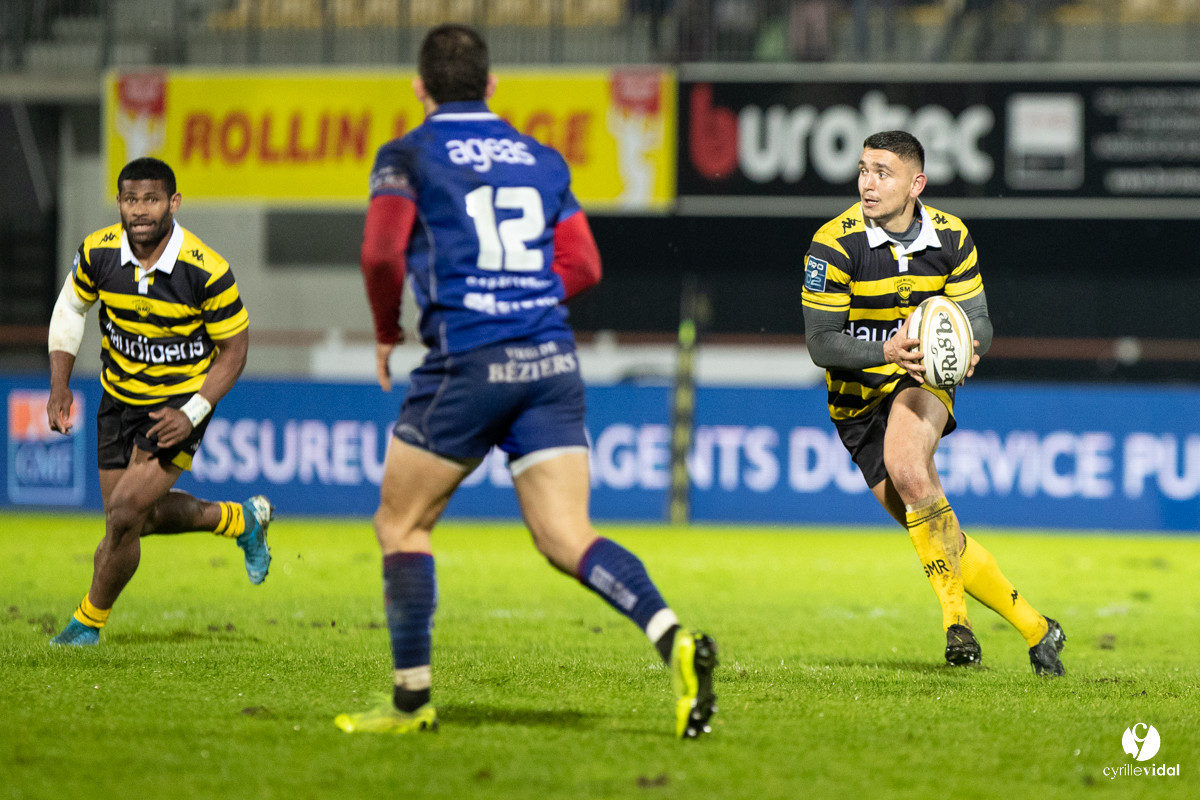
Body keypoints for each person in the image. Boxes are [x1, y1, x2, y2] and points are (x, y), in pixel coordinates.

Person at [333, 23, 718, 737]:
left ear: (419, 88)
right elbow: (586, 266)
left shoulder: (408, 154)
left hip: (468, 360)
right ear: (492, 85)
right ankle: (674, 640)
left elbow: (382, 254)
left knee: (402, 523)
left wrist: (388, 332)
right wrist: (523, 298)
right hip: (549, 362)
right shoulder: (540, 158)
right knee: (568, 534)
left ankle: (410, 704)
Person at [800, 130, 1066, 676]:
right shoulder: (833, 243)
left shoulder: (952, 237)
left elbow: (981, 323)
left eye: (883, 172)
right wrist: (884, 350)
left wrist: (969, 349)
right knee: (934, 531)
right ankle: (1040, 630)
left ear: (915, 184)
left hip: (922, 378)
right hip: (855, 402)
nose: (867, 183)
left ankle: (956, 625)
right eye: (863, 169)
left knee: (907, 465)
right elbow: (820, 343)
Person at [46, 156, 273, 646]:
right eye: (130, 199)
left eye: (151, 199)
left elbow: (235, 351)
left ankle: (85, 624)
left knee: (124, 514)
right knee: (134, 521)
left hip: (177, 407)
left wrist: (193, 412)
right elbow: (70, 307)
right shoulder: (98, 252)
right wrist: (59, 384)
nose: (139, 210)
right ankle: (241, 520)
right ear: (120, 203)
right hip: (117, 398)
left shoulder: (207, 271)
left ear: (173, 202)